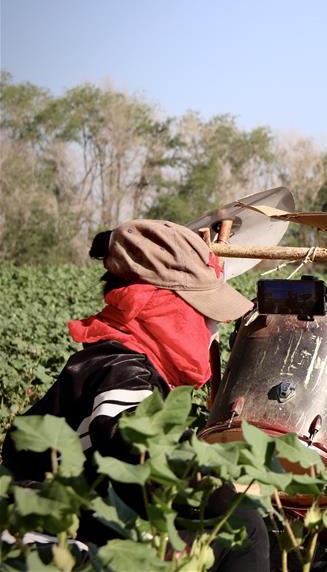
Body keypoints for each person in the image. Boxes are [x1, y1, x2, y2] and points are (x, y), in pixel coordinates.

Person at [2, 219, 269, 571]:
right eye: (204, 313)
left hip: (80, 514)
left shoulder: (117, 355)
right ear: (164, 306)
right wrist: (224, 484)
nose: (213, 328)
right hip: (44, 534)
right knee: (245, 529)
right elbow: (137, 442)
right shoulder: (123, 368)